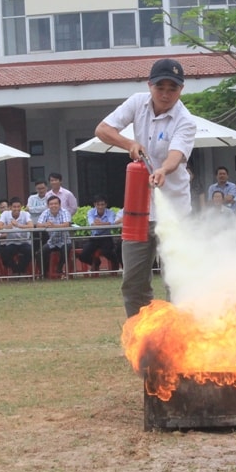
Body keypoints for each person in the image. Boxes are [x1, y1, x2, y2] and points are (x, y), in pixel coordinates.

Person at [94, 57, 196, 318]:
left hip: (174, 210)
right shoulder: (137, 102)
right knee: (134, 279)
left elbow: (175, 155)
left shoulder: (185, 120)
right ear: (149, 85)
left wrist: (163, 169)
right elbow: (103, 130)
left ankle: (177, 338)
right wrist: (129, 143)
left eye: (172, 89)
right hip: (138, 210)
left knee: (178, 279)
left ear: (181, 89)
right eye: (160, 87)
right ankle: (141, 337)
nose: (165, 94)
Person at [78, 195, 120, 272]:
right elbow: (92, 224)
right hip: (94, 238)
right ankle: (96, 262)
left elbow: (112, 223)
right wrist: (104, 224)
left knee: (107, 251)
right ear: (95, 205)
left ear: (106, 205)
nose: (100, 207)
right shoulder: (91, 212)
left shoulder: (110, 212)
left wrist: (100, 224)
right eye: (98, 205)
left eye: (102, 204)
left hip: (106, 237)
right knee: (83, 255)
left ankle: (115, 262)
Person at [36, 195, 72, 278]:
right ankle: (44, 273)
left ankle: (59, 269)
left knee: (66, 251)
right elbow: (38, 225)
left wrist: (54, 226)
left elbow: (67, 224)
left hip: (64, 241)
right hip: (52, 241)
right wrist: (45, 224)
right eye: (51, 204)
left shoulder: (64, 212)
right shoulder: (46, 212)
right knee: (40, 253)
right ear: (48, 205)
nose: (53, 206)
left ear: (59, 205)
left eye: (55, 204)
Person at [0, 197, 34, 276]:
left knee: (30, 251)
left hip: (24, 242)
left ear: (21, 207)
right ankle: (15, 270)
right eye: (14, 207)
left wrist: (18, 225)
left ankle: (20, 269)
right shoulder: (5, 214)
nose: (16, 209)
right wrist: (7, 227)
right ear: (10, 207)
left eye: (18, 207)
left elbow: (31, 226)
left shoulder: (25, 214)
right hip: (11, 242)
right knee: (4, 254)